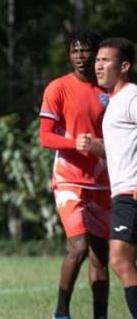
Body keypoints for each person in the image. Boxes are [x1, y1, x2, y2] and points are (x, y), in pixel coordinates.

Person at [39, 30, 110, 319]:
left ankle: (100, 316)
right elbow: (45, 138)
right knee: (78, 247)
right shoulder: (57, 88)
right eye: (74, 51)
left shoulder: (109, 92)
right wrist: (74, 143)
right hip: (69, 181)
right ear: (69, 55)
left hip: (103, 184)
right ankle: (61, 313)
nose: (80, 56)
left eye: (85, 50)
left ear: (96, 54)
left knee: (100, 259)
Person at [81, 38, 136, 318]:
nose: (98, 65)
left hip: (132, 193)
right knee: (122, 261)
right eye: (97, 60)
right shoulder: (114, 101)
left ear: (124, 66)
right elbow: (121, 150)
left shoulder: (132, 97)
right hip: (123, 194)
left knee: (119, 259)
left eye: (105, 60)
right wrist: (95, 148)